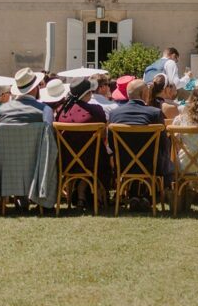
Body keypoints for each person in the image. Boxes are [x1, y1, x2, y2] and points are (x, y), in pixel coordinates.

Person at [109, 79, 174, 210]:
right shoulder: (154, 113)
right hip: (150, 165)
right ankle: (148, 197)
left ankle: (135, 195)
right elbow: (163, 143)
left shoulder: (114, 114)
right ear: (145, 93)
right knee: (166, 157)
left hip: (123, 164)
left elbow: (111, 143)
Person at [55, 78, 111, 209]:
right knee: (98, 153)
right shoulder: (96, 110)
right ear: (87, 93)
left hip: (66, 161)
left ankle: (80, 192)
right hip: (92, 162)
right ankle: (89, 192)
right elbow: (103, 136)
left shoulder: (61, 111)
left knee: (87, 152)